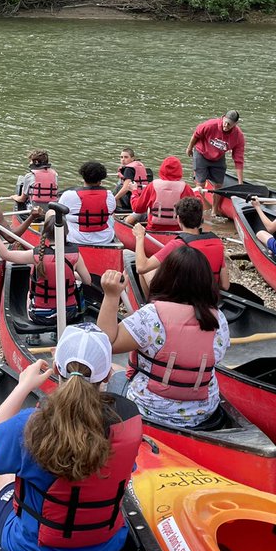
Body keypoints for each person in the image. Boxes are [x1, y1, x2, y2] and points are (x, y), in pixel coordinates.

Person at [0, 324, 142, 551]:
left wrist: (23, 385)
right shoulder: (128, 419)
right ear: (108, 375)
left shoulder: (31, 424)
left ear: (56, 369)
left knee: (0, 462)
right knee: (10, 451)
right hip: (108, 548)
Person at [97, 248, 227, 428]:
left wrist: (111, 296)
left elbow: (105, 343)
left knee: (109, 371)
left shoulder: (151, 316)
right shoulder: (219, 319)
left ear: (165, 276)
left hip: (150, 410)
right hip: (203, 413)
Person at [0, 209, 92, 323]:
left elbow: (5, 254)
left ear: (45, 233)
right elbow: (87, 280)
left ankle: (31, 324)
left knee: (30, 289)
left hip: (40, 316)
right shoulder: (75, 254)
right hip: (69, 314)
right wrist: (72, 274)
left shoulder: (36, 255)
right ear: (66, 232)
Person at [133, 197, 230, 291]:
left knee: (145, 272)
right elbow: (225, 285)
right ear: (201, 219)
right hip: (208, 297)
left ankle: (151, 302)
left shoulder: (177, 244)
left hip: (183, 298)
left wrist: (140, 236)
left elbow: (141, 268)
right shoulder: (217, 243)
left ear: (178, 219)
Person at [185, 111, 246, 213]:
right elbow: (196, 135)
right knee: (200, 184)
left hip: (218, 157)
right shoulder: (210, 125)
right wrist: (189, 148)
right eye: (225, 122)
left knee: (218, 185)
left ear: (235, 124)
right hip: (201, 153)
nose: (226, 126)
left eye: (229, 124)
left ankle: (214, 211)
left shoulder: (238, 136)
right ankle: (199, 210)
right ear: (223, 118)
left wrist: (240, 183)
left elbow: (238, 160)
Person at [128, 155, 198, 231]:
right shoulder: (186, 188)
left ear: (162, 169)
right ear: (180, 170)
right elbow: (196, 210)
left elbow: (137, 208)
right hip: (177, 231)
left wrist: (134, 191)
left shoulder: (152, 186)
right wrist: (197, 192)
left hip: (153, 230)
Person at [59, 161, 116, 245]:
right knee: (111, 216)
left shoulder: (69, 195)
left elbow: (59, 213)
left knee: (54, 213)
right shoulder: (109, 195)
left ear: (83, 177)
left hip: (76, 239)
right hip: (105, 239)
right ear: (101, 180)